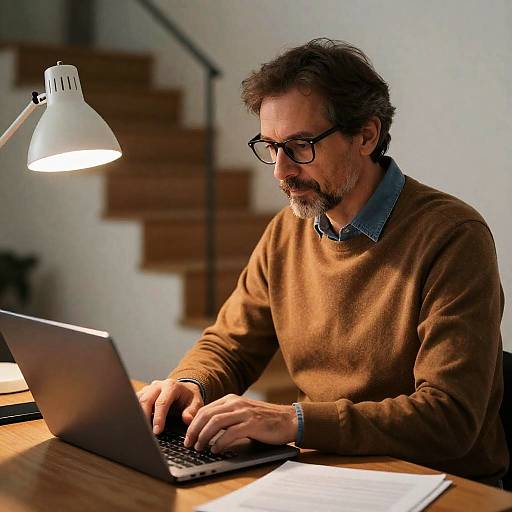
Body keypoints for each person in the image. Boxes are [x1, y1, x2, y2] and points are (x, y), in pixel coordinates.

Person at [137, 38, 507, 485]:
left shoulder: (453, 236)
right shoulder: (286, 231)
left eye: (300, 146)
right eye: (270, 146)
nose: (281, 170)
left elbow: (449, 418)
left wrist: (294, 421)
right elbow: (229, 346)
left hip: (441, 484)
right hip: (327, 470)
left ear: (366, 136)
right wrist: (190, 384)